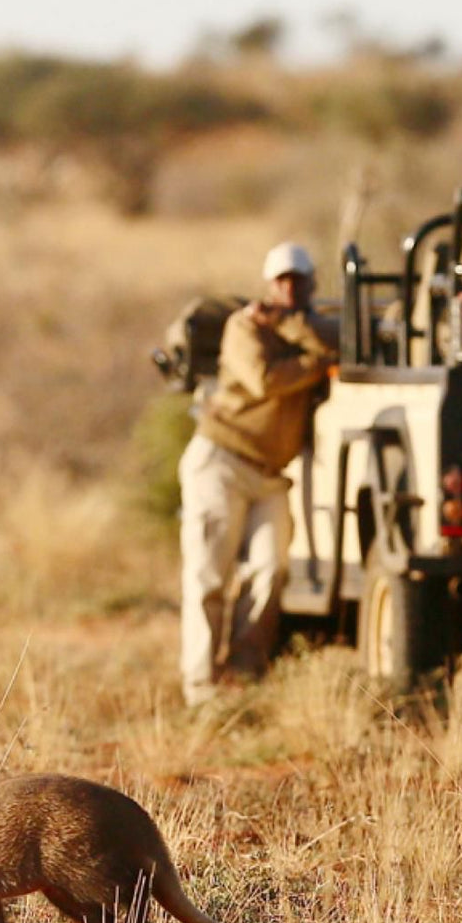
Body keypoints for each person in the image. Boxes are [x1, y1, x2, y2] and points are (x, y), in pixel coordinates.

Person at [178, 241, 337, 707]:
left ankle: (244, 674)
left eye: (298, 280)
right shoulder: (244, 326)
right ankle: (202, 688)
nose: (289, 288)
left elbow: (341, 341)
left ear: (310, 284)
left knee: (270, 570)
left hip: (270, 473)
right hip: (222, 460)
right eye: (282, 280)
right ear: (270, 283)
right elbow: (265, 379)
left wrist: (298, 331)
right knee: (209, 575)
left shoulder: (304, 327)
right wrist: (319, 364)